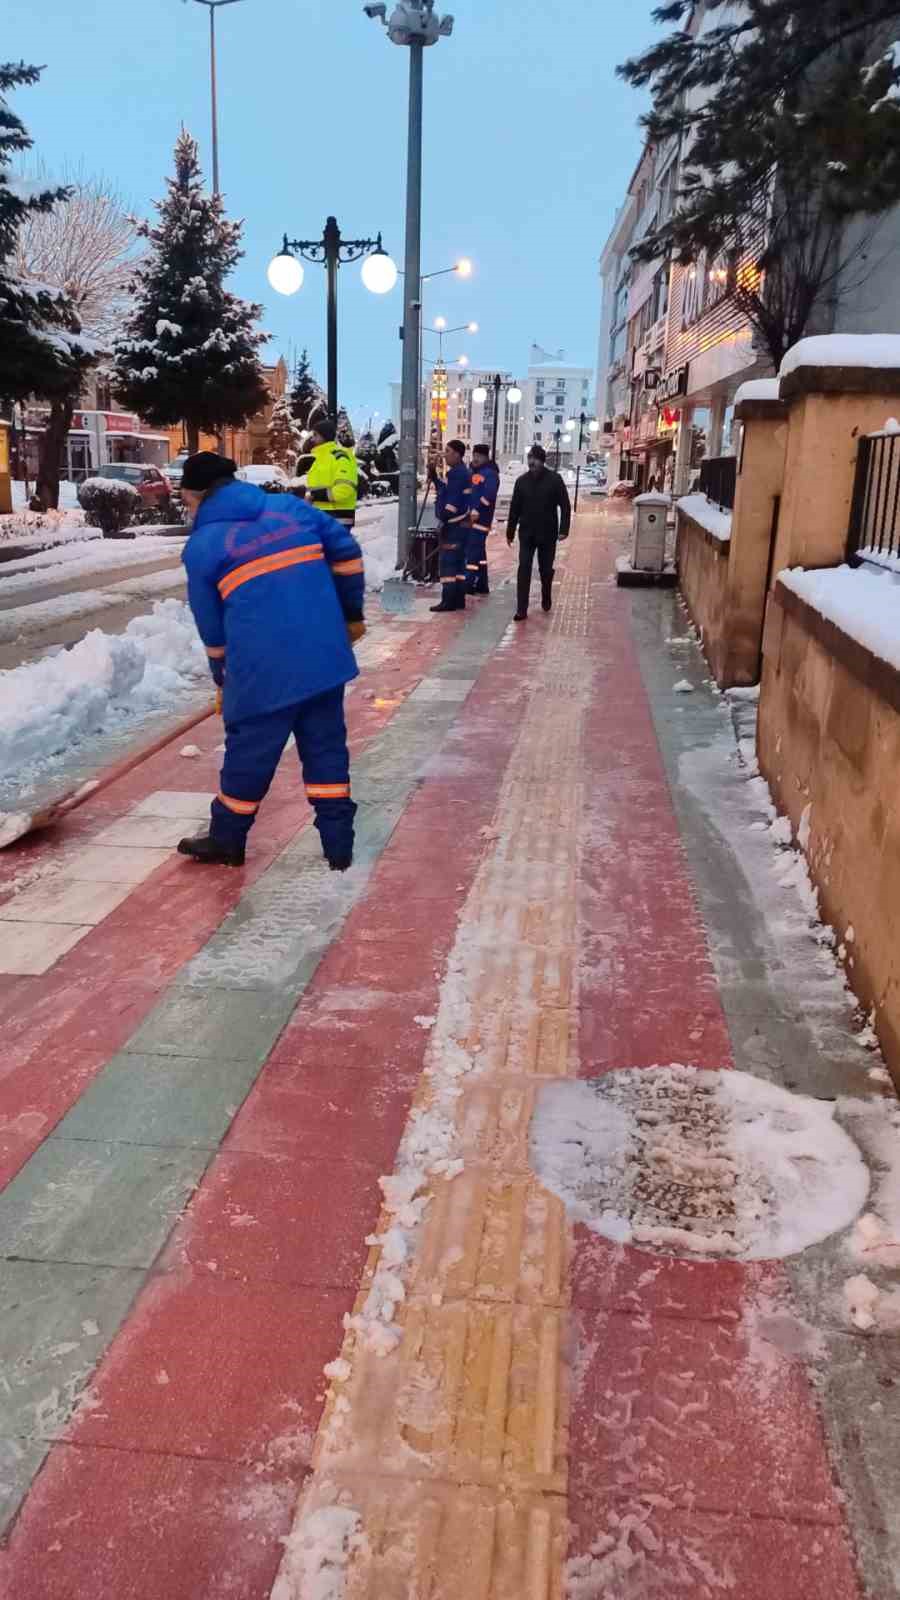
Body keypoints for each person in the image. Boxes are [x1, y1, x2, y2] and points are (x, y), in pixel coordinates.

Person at [176, 451, 365, 871]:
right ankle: (339, 845)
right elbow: (348, 553)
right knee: (326, 749)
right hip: (323, 659)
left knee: (249, 755)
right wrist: (350, 614)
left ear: (196, 494)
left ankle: (227, 840)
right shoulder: (291, 508)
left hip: (263, 672)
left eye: (186, 499)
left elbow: (213, 630)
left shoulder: (203, 547)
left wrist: (222, 676)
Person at [506, 444, 571, 621]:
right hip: (526, 532)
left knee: (545, 569)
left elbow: (565, 506)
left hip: (548, 533)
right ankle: (521, 609)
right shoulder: (521, 481)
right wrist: (510, 532)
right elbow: (514, 509)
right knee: (524, 567)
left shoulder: (555, 480)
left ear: (542, 461)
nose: (531, 462)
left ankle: (546, 593)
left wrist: (564, 530)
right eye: (529, 458)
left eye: (535, 459)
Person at [429, 438, 471, 612]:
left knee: (448, 563)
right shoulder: (460, 472)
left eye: (447, 452)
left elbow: (452, 500)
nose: (445, 455)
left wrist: (444, 518)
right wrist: (434, 478)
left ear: (456, 454)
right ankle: (459, 599)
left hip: (454, 525)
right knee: (459, 564)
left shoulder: (456, 474)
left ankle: (448, 600)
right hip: (461, 525)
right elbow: (446, 491)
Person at [305, 417, 359, 529]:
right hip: (323, 520)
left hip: (336, 521)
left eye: (315, 435)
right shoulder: (321, 459)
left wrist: (314, 496)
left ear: (324, 436)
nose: (312, 439)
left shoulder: (340, 457)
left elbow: (344, 489)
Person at [465, 444, 500, 594]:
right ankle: (482, 584)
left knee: (472, 552)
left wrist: (477, 509)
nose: (476, 458)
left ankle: (469, 583)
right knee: (479, 552)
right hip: (473, 518)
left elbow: (489, 495)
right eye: (474, 455)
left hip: (481, 519)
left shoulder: (490, 473)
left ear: (486, 457)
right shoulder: (475, 472)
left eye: (479, 455)